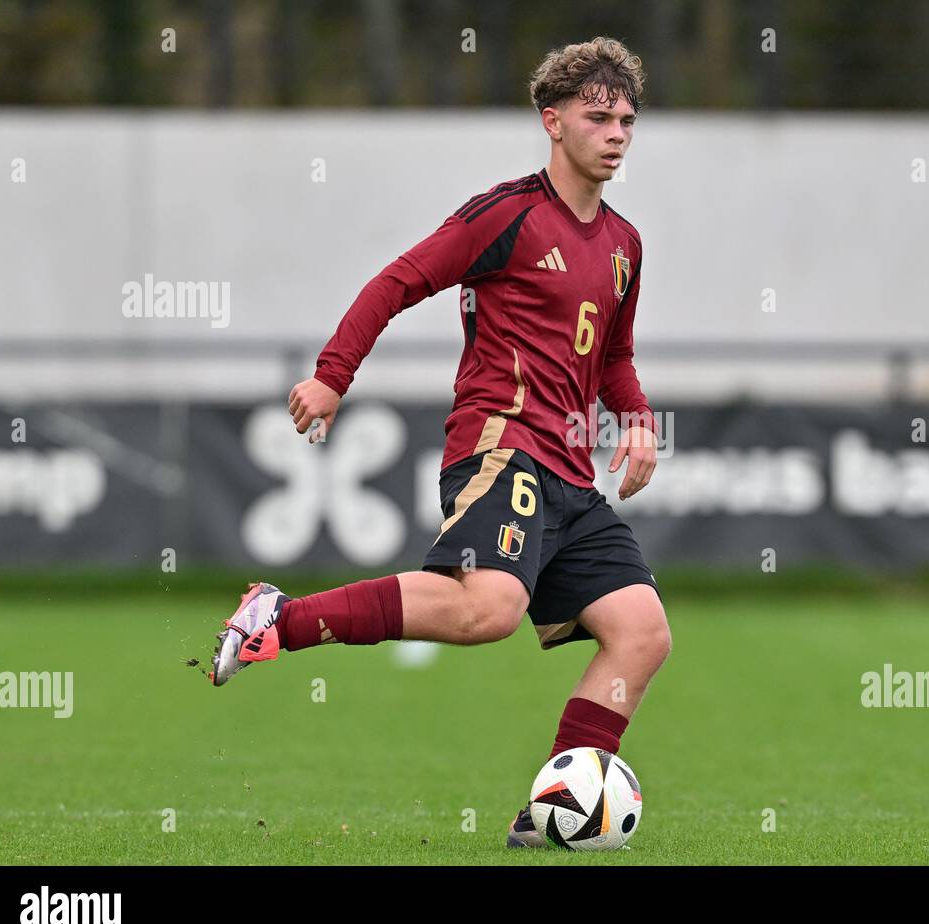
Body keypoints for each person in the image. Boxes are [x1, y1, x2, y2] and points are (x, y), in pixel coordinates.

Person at [208, 37, 671, 849]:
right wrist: (332, 375)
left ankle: (556, 812)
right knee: (490, 609)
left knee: (642, 633)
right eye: (598, 116)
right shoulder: (506, 215)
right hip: (502, 444)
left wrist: (635, 419)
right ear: (551, 121)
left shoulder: (627, 244)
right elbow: (399, 280)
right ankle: (278, 619)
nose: (617, 132)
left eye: (627, 118)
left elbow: (616, 357)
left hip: (569, 472)